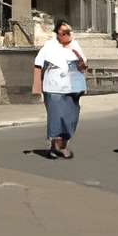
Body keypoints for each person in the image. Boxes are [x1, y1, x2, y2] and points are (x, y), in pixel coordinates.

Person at [31, 19, 88, 157]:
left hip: (73, 88)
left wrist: (80, 61)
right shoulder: (49, 46)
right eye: (64, 32)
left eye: (69, 32)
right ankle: (56, 146)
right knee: (56, 117)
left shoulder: (75, 45)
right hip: (53, 87)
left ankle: (61, 145)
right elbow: (38, 65)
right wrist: (36, 86)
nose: (68, 35)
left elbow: (83, 67)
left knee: (71, 118)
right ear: (57, 34)